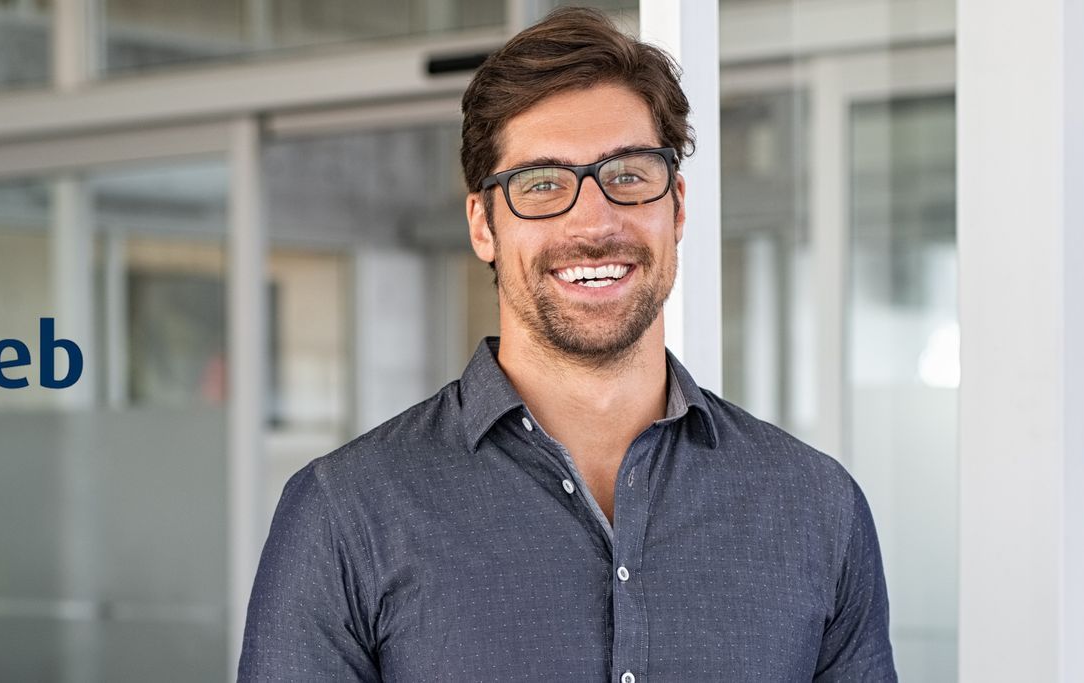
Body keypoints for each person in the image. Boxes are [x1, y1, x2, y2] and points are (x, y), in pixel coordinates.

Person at [238, 7, 895, 681]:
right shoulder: (345, 516)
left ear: (678, 208)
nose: (594, 221)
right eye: (543, 184)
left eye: (630, 174)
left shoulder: (816, 509)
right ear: (483, 224)